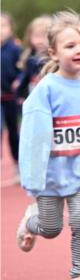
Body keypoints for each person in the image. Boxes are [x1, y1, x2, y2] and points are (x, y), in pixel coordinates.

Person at [16, 11, 80, 280]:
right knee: (51, 228)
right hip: (50, 176)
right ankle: (31, 221)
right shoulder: (46, 90)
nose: (78, 50)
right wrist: (32, 178)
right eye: (70, 46)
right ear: (53, 51)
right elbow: (31, 136)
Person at [1, 12, 22, 179]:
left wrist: (18, 81)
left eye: (3, 26)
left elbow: (24, 71)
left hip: (11, 99)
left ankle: (18, 164)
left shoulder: (15, 49)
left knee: (14, 132)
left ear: (10, 29)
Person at [16, 15, 51, 100]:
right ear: (30, 37)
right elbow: (26, 77)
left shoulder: (55, 58)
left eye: (44, 36)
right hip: (34, 95)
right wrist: (20, 94)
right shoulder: (29, 57)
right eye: (36, 36)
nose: (40, 41)